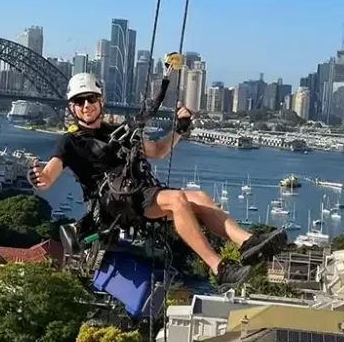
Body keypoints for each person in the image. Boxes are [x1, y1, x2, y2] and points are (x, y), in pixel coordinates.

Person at [29, 72, 286, 287]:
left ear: (101, 101)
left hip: (137, 192)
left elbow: (159, 151)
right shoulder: (70, 141)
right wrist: (39, 177)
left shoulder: (121, 132)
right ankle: (219, 267)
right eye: (80, 101)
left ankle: (247, 242)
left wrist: (180, 129)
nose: (86, 105)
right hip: (113, 202)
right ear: (72, 107)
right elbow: (49, 175)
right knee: (177, 200)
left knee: (200, 198)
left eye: (91, 98)